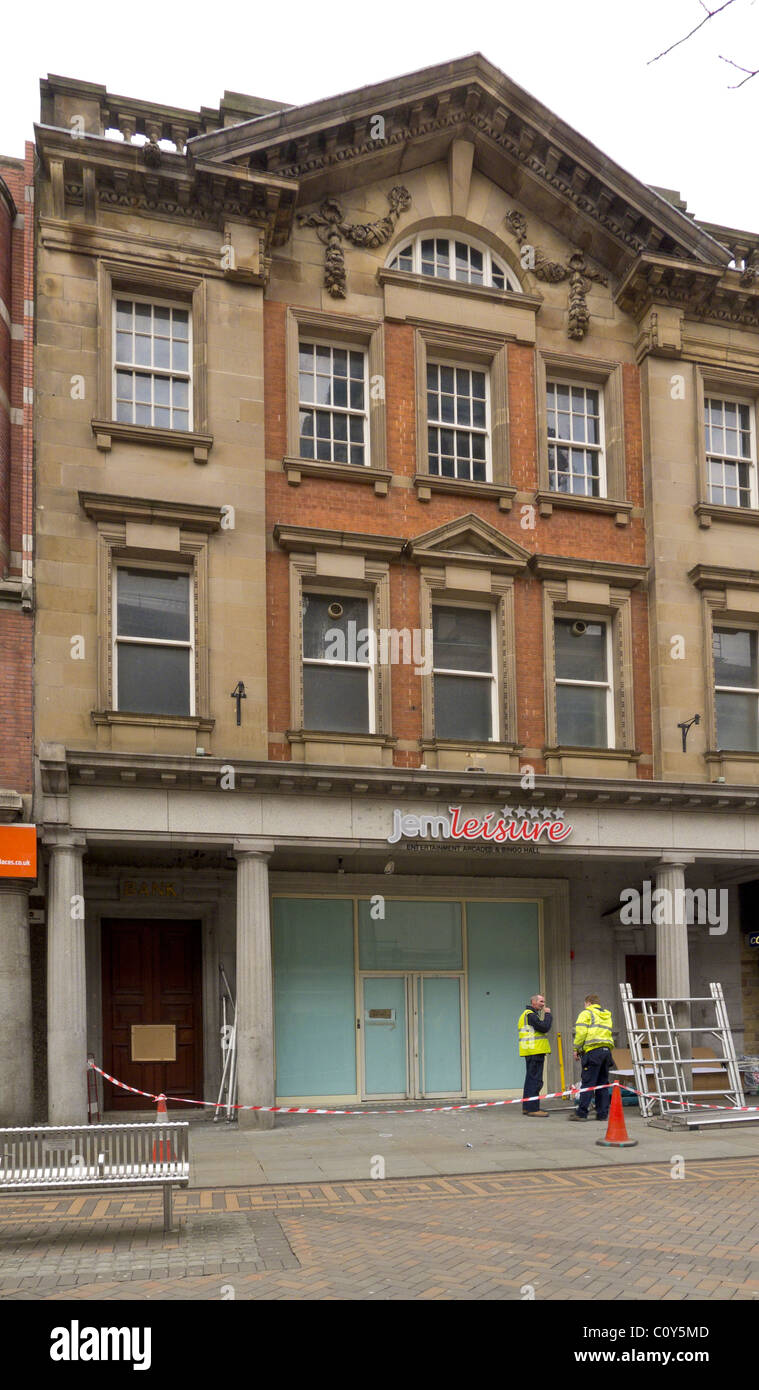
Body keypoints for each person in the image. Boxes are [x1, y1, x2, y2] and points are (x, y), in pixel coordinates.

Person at [570, 993, 615, 1121]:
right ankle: (602, 1114)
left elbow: (581, 1033)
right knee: (602, 1084)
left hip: (593, 1052)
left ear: (588, 1002)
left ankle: (581, 1113)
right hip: (606, 1052)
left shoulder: (586, 1013)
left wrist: (576, 1049)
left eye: (585, 1004)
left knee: (588, 1083)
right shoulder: (607, 1015)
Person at [517, 994, 552, 1116]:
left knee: (530, 1080)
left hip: (531, 1051)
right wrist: (548, 1014)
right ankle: (533, 1109)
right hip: (535, 1051)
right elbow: (544, 1027)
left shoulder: (528, 1015)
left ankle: (527, 1107)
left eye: (544, 1001)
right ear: (533, 1002)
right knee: (535, 1081)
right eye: (541, 1001)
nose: (543, 1004)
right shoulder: (530, 1015)